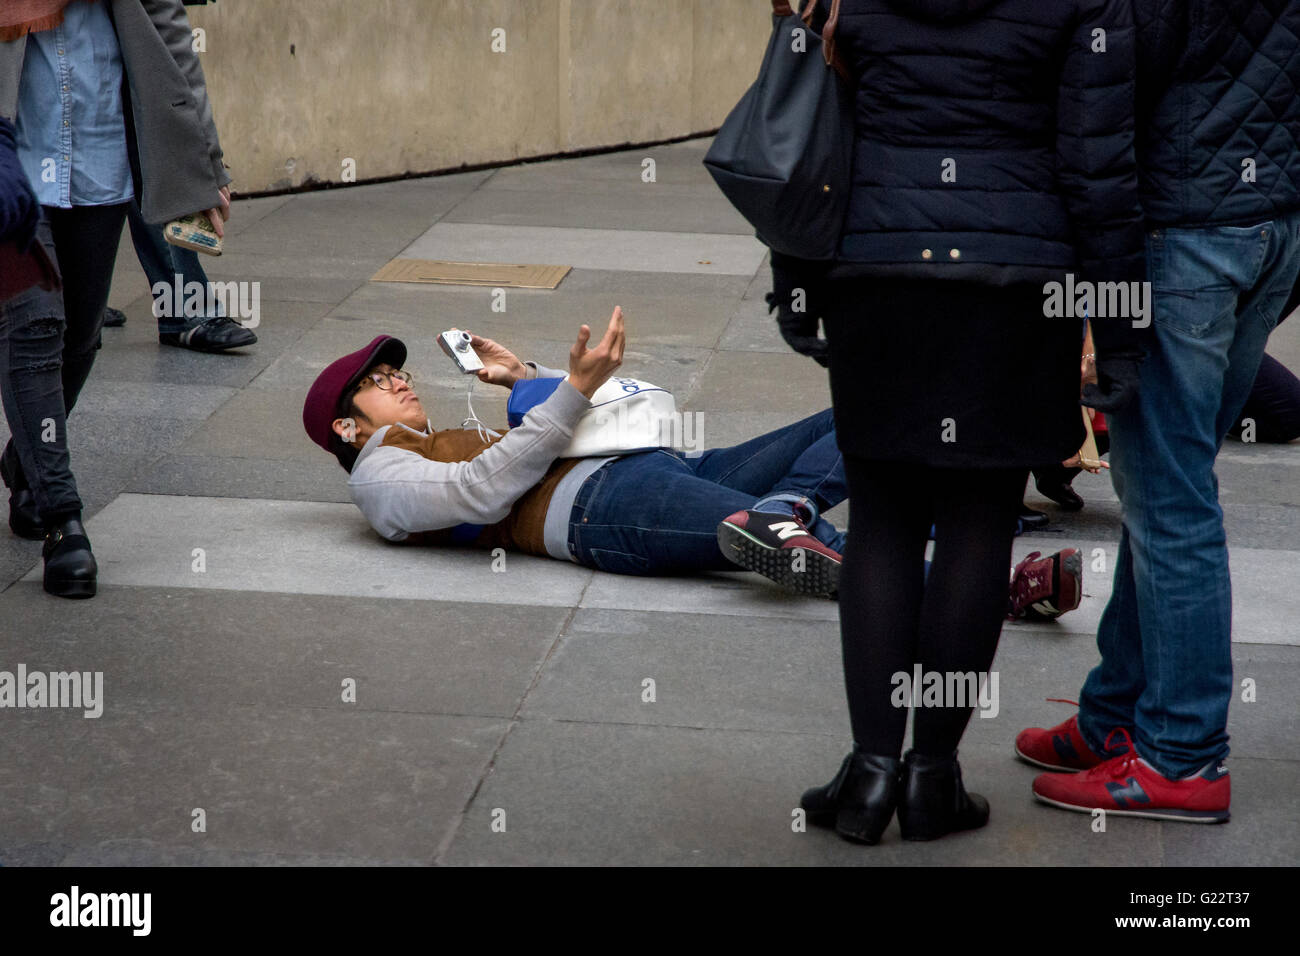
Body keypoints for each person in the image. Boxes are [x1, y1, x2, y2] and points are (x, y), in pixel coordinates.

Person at [783, 0, 1145, 844]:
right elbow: (1098, 166)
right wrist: (1122, 327)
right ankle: (932, 776)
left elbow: (807, 130)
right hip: (1015, 283)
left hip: (877, 269)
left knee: (881, 524)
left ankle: (873, 770)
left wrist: (795, 278)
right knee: (979, 524)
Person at [301, 314, 1084, 617]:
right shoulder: (380, 479)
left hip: (654, 465)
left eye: (395, 371)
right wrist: (570, 387)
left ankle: (800, 511)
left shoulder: (434, 436)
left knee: (857, 415)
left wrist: (525, 377)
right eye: (375, 384)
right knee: (762, 537)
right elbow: (483, 488)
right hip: (600, 508)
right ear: (346, 425)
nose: (397, 380)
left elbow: (548, 436)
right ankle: (996, 590)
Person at [1019, 0, 1300, 824]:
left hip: (1185, 235)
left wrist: (1100, 299)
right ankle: (1119, 717)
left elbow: (1100, 121)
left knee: (1172, 503)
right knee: (1165, 492)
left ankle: (1181, 754)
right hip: (1268, 227)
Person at [0, 0, 232, 598]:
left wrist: (205, 160)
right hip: (12, 164)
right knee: (34, 327)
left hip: (100, 159)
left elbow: (171, 36)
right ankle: (63, 519)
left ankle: (29, 459)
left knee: (79, 334)